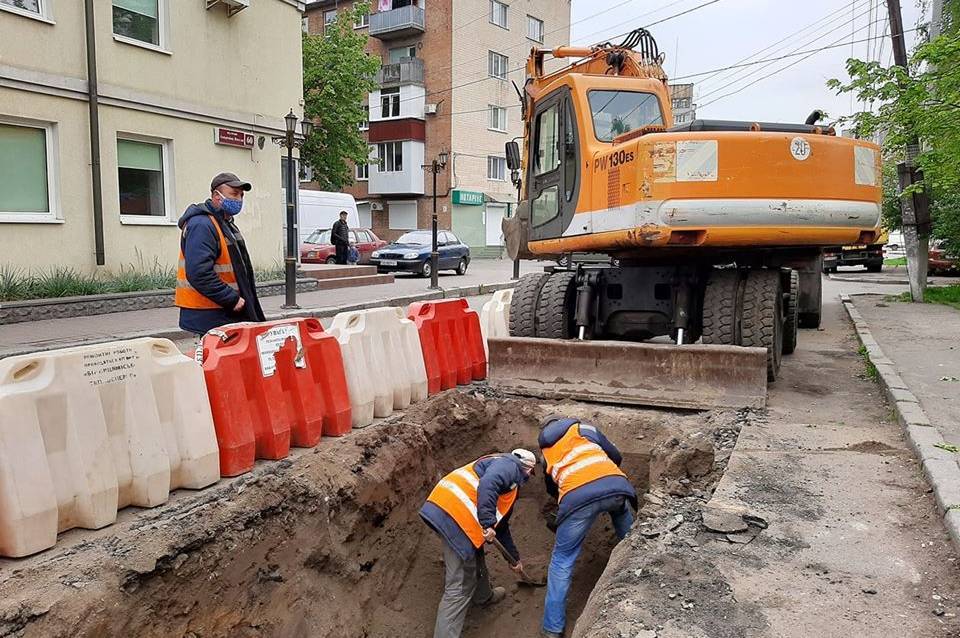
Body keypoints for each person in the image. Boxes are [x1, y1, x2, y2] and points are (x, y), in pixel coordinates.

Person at [420, 449, 538, 638]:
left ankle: (483, 596)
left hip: (446, 509)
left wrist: (514, 559)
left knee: (476, 551)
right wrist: (487, 522)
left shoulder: (500, 469)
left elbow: (502, 527)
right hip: (454, 517)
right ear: (527, 469)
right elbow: (488, 484)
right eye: (530, 474)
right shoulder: (509, 466)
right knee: (459, 586)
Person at [537, 415, 637, 638]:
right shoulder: (585, 429)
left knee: (562, 560)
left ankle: (552, 629)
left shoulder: (546, 450)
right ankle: (638, 568)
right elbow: (616, 456)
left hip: (576, 499)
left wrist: (565, 505)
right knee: (630, 537)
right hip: (616, 486)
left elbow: (552, 488)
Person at [175, 172, 265, 336]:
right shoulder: (202, 224)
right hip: (211, 312)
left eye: (241, 195)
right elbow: (199, 273)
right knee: (217, 360)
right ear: (217, 196)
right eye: (234, 194)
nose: (239, 199)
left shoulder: (224, 223)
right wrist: (231, 299)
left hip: (221, 311)